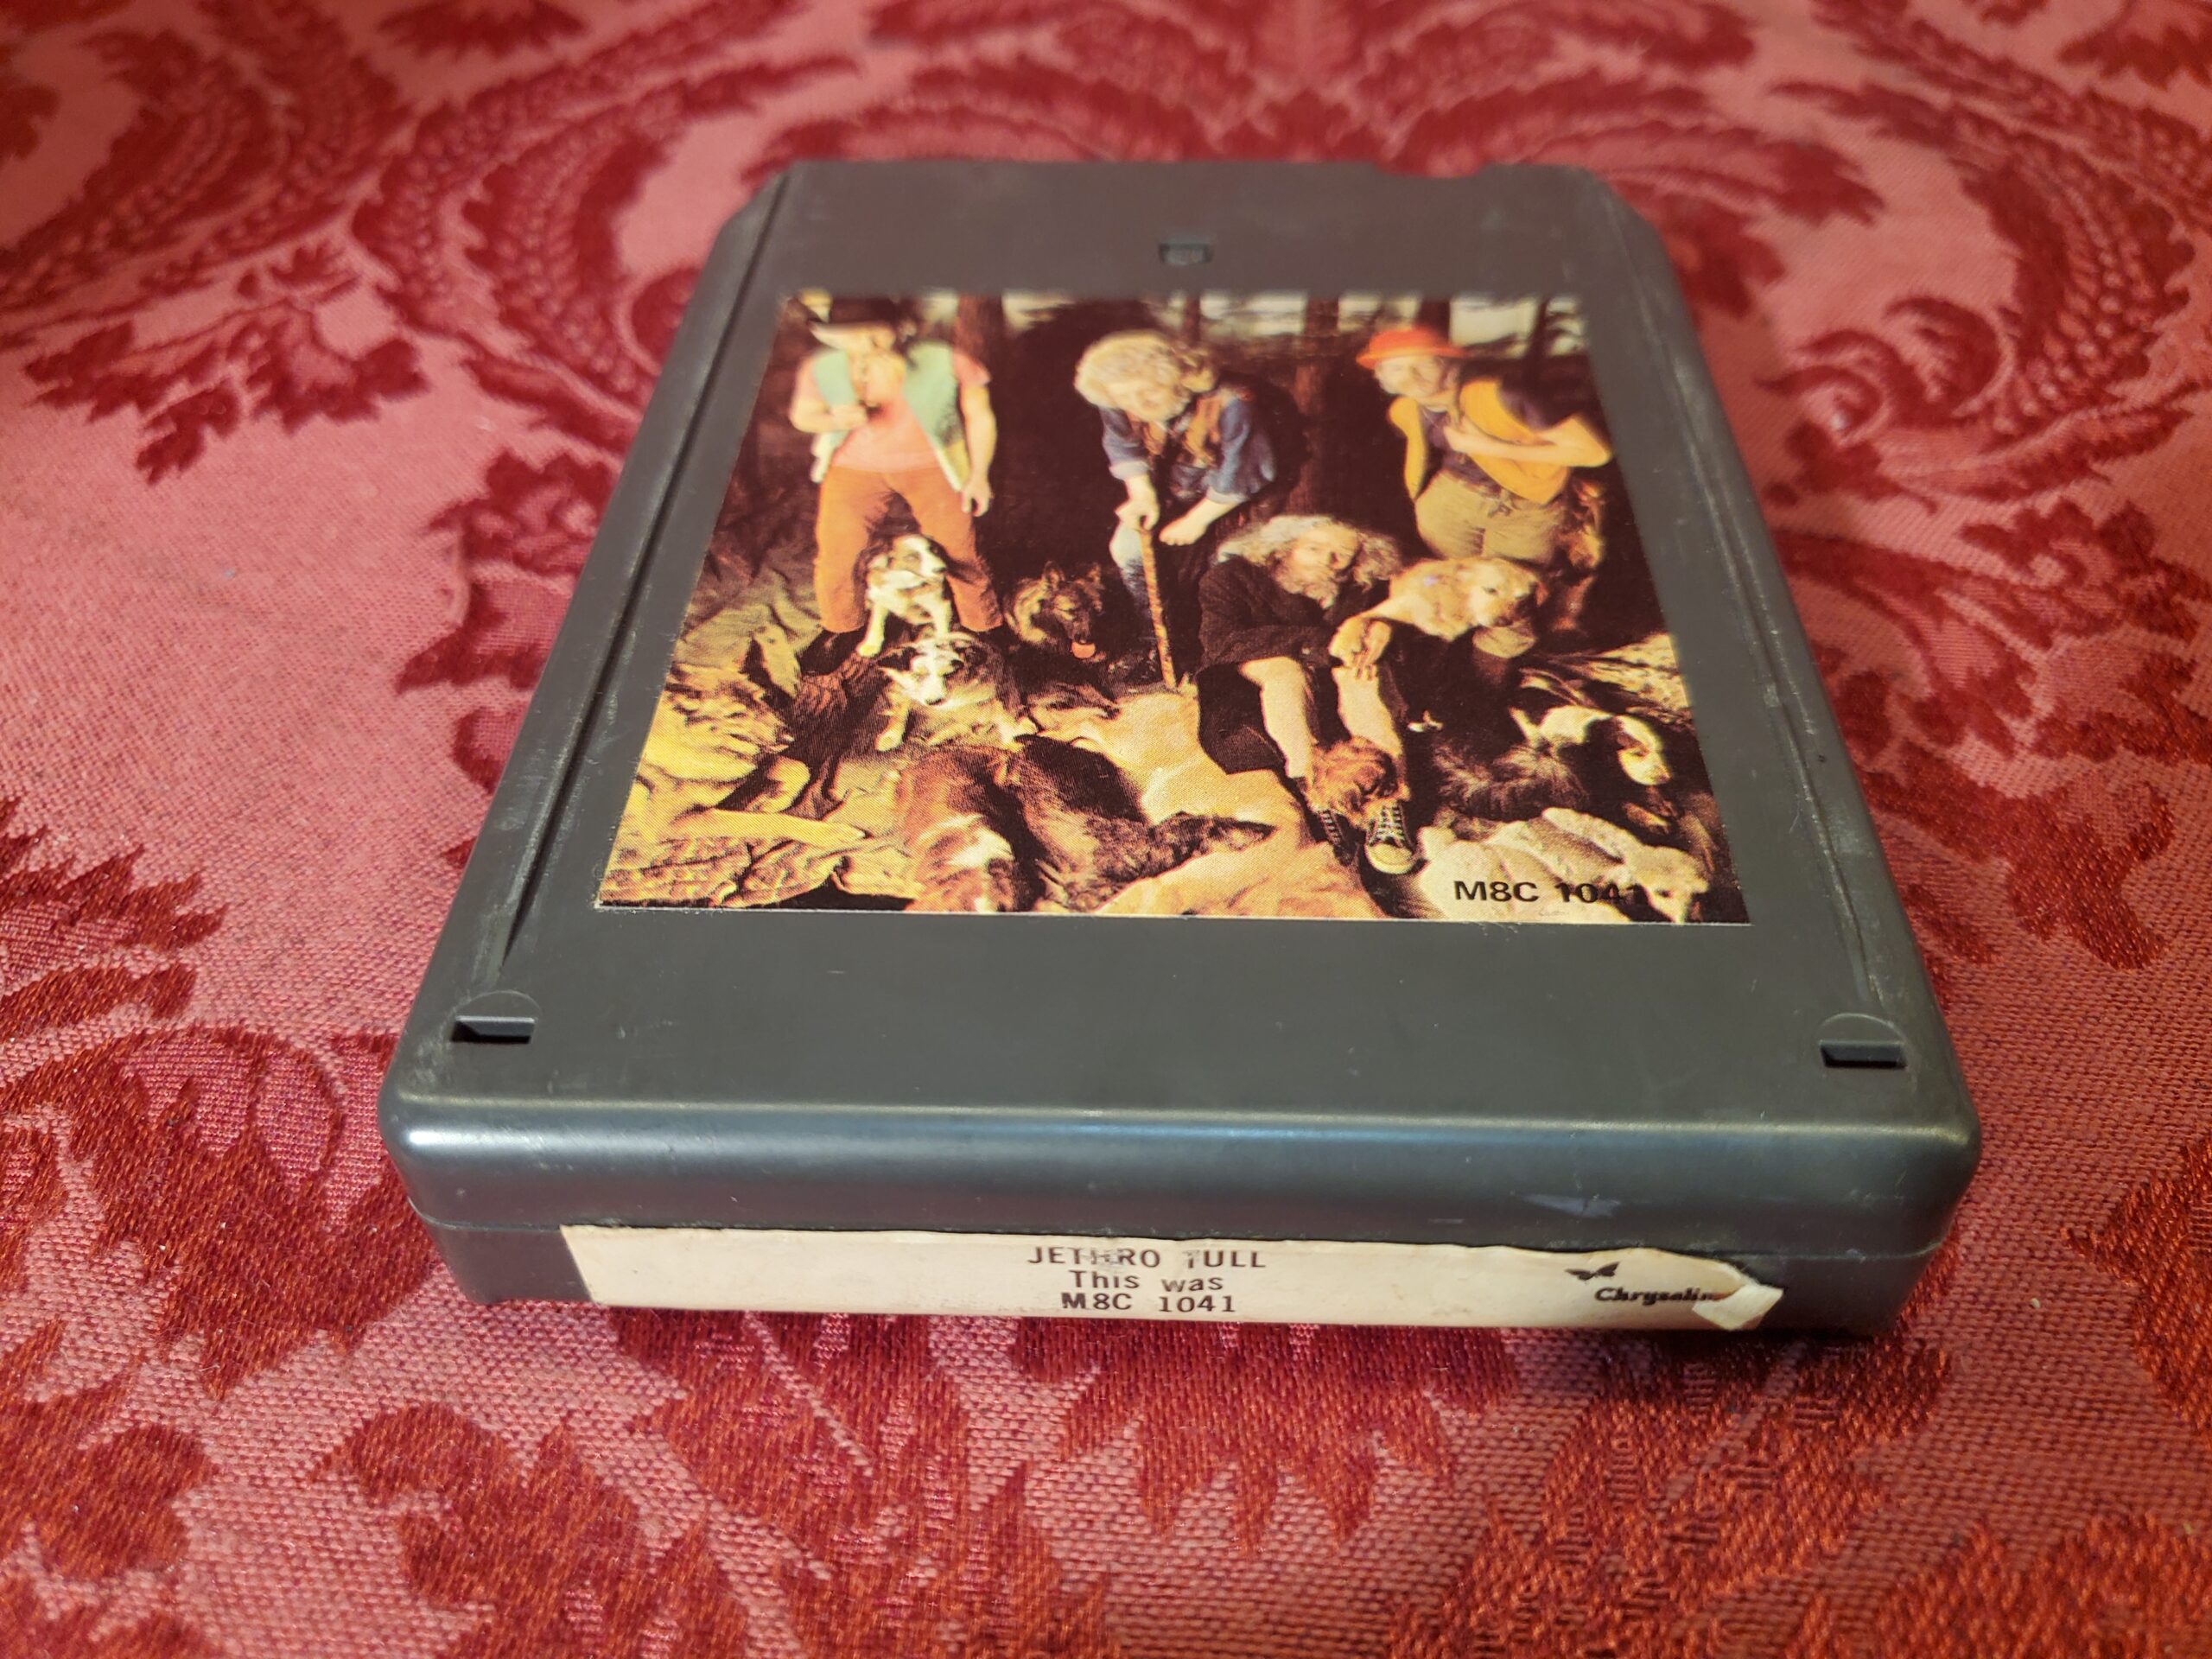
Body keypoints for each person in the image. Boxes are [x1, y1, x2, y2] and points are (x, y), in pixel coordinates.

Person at [788, 298, 1002, 679]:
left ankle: (982, 626)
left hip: (933, 465)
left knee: (960, 548)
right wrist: (833, 418)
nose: (865, 342)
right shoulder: (822, 366)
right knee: (837, 553)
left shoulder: (945, 359)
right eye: (851, 335)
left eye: (875, 331)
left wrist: (979, 475)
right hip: (854, 466)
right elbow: (802, 416)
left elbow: (980, 415)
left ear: (900, 326)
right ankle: (841, 626)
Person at [1195, 515, 1418, 875]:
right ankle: (1317, 792)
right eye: (1314, 548)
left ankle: (1388, 796)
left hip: (1333, 679)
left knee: (1363, 672)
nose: (1327, 561)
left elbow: (1406, 615)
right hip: (1256, 679)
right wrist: (1322, 644)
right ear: (1285, 544)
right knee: (1287, 672)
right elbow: (1221, 643)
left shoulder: (1362, 582)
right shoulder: (1230, 577)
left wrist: (1384, 625)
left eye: (1342, 552)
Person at [1357, 324, 1611, 639]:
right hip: (1450, 503)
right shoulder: (1403, 409)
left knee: (1513, 599)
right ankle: (1450, 659)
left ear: (1450, 366)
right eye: (1396, 368)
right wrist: (1426, 500)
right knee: (1455, 590)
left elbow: (1595, 452)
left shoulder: (1503, 395)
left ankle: (1492, 667)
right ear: (1382, 377)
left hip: (1526, 506)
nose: (1410, 376)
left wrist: (1486, 446)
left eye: (1424, 363)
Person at [1073, 330, 1281, 679]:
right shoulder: (1115, 397)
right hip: (1172, 490)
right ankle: (1157, 643)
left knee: (1225, 565)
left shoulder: (1233, 403)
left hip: (1243, 498)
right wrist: (1141, 494)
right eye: (1126, 397)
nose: (1139, 403)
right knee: (1126, 548)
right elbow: (1123, 446)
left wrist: (1198, 520)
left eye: (1149, 391)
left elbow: (1246, 473)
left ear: (1178, 377)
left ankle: (1224, 654)